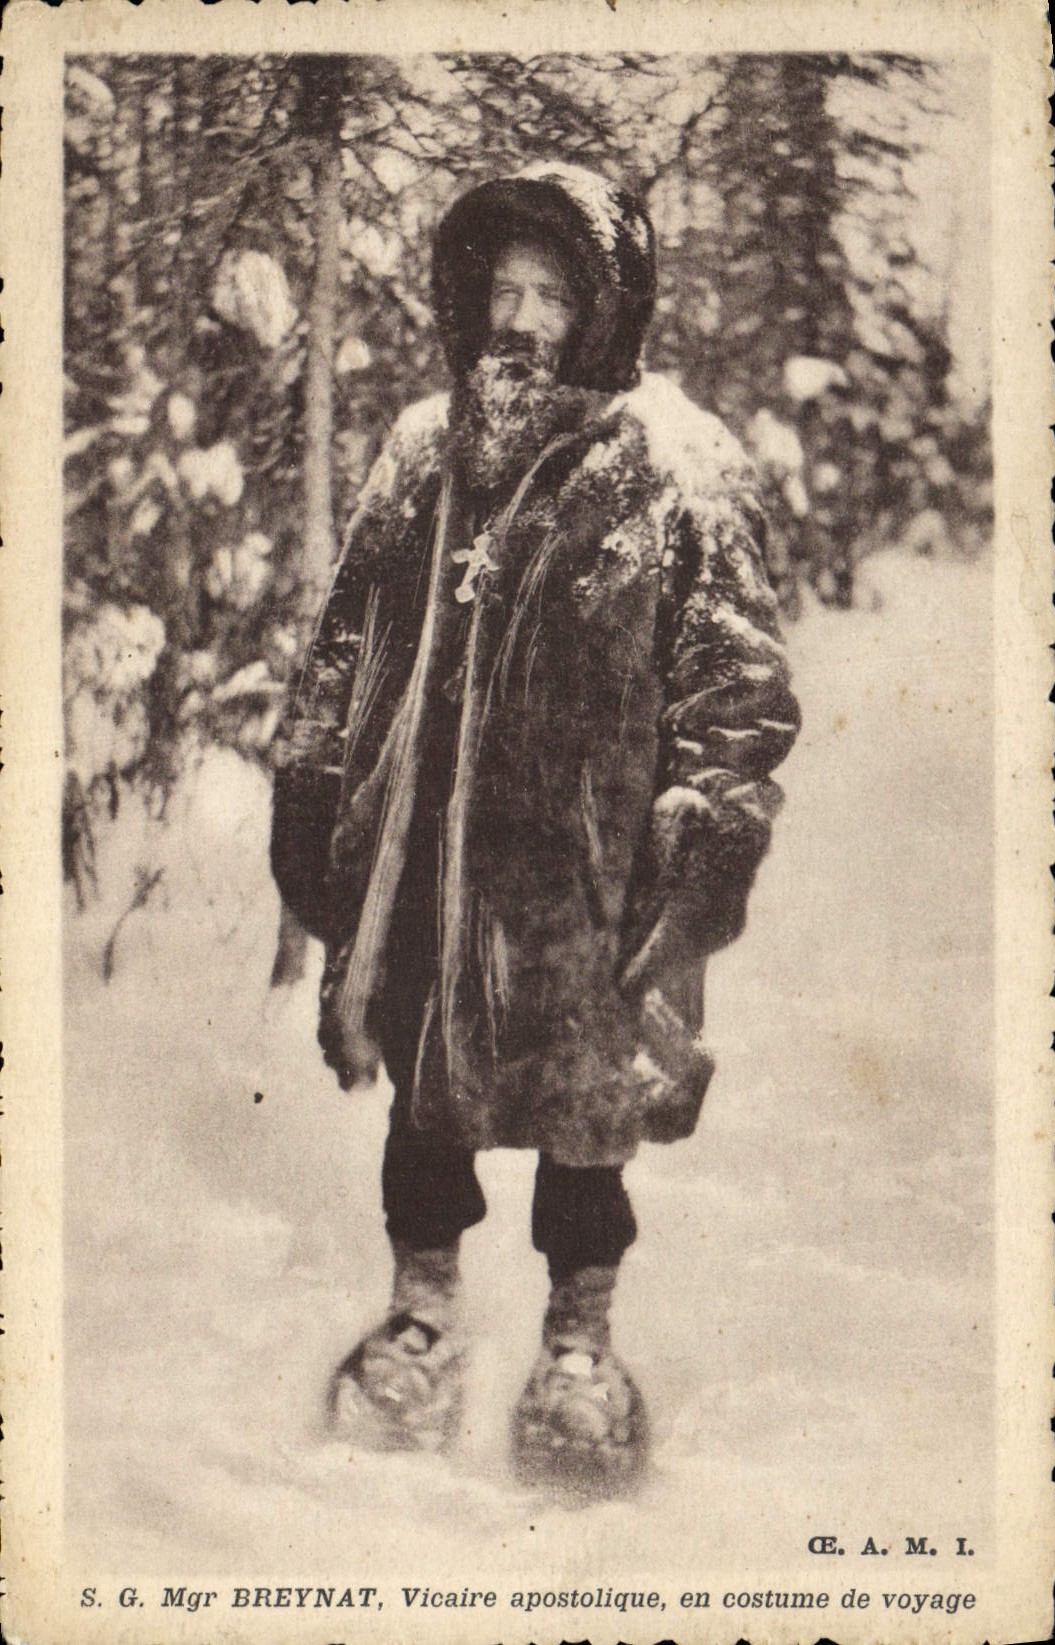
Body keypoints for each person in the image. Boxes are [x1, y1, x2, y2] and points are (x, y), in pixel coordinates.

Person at [270, 161, 800, 1496]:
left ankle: (577, 1345)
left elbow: (738, 684)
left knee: (583, 1115)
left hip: (588, 873)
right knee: (425, 1094)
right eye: (499, 288)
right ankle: (420, 1316)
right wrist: (310, 781)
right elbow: (345, 642)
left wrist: (705, 836)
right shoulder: (418, 449)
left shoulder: (670, 464)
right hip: (428, 860)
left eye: (550, 292)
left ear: (601, 306)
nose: (520, 318)